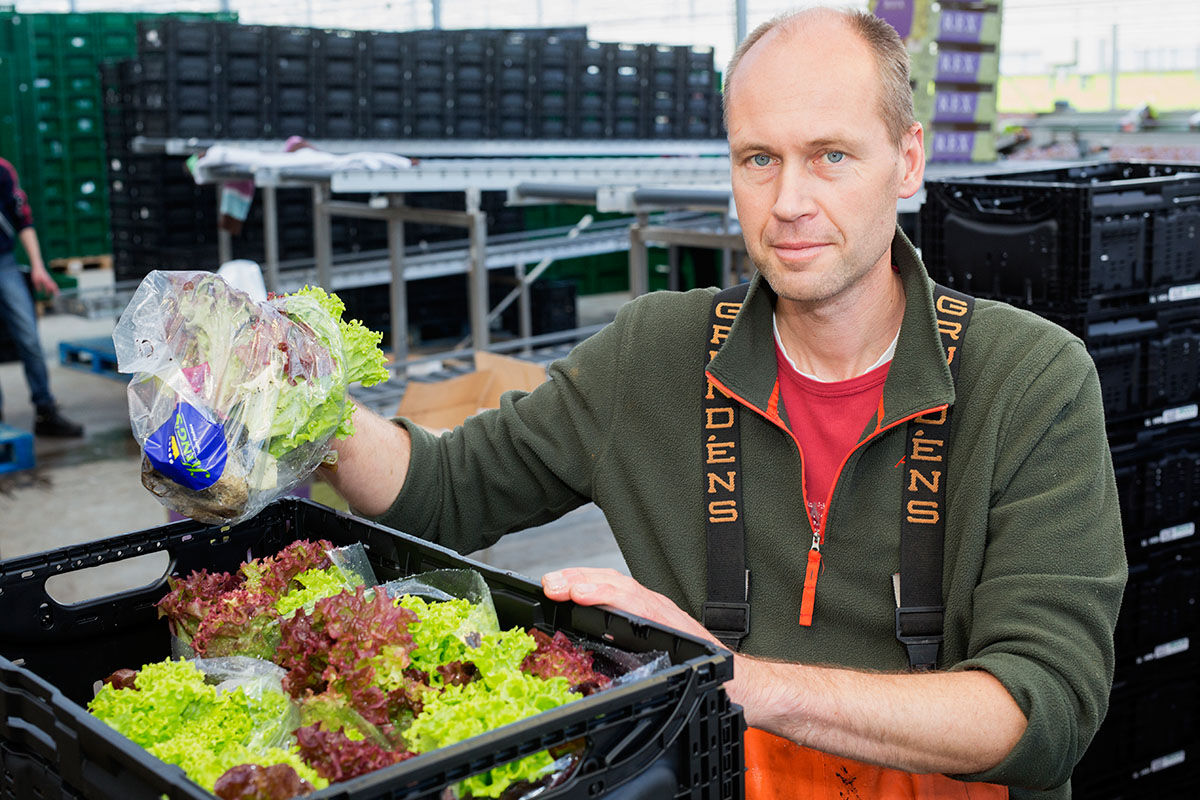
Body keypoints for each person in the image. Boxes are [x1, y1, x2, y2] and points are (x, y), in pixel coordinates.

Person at [324, 8, 1125, 799]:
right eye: (758, 159)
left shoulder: (1030, 379)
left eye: (831, 155)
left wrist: (728, 675)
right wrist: (301, 409)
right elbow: (440, 493)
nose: (789, 201)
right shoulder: (655, 354)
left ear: (907, 162)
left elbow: (1043, 708)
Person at [0, 156, 84, 437]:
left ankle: (45, 411)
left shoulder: (2, 170)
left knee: (29, 338)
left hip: (4, 264)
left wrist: (37, 266)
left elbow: (23, 220)